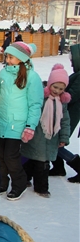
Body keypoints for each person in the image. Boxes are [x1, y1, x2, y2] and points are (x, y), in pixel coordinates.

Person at [0, 42, 43, 200]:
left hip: (17, 124)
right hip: (1, 122)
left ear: (21, 58)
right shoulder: (3, 74)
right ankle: (2, 183)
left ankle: (19, 184)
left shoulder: (32, 77)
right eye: (7, 56)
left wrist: (30, 126)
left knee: (11, 157)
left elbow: (35, 104)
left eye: (11, 57)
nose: (7, 59)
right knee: (0, 155)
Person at [21, 64, 71, 198]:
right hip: (37, 135)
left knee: (41, 162)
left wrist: (64, 137)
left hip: (51, 138)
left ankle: (34, 183)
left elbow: (65, 121)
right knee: (36, 161)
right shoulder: (40, 98)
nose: (57, 91)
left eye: (61, 88)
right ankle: (36, 185)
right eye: (55, 87)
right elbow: (31, 113)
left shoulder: (62, 102)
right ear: (50, 84)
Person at [49, 44, 80, 183]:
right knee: (54, 140)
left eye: (73, 58)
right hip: (65, 112)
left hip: (69, 114)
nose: (71, 61)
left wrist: (57, 92)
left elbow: (73, 95)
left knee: (56, 142)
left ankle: (77, 165)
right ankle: (58, 167)